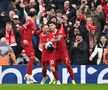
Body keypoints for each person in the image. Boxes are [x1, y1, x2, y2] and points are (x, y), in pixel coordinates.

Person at [19, 0, 43, 83]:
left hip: (29, 42)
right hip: (26, 42)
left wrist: (41, 30)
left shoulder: (33, 23)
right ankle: (28, 75)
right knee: (32, 57)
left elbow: (35, 33)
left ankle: (29, 76)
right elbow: (21, 29)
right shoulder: (29, 22)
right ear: (35, 16)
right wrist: (24, 39)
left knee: (32, 58)